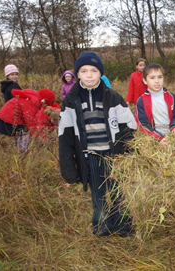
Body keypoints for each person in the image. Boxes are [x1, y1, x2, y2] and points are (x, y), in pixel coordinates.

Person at [58, 51, 137, 236]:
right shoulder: (71, 101)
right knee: (98, 194)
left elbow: (129, 127)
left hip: (114, 155)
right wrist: (68, 169)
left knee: (119, 191)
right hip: (90, 156)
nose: (89, 75)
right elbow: (65, 137)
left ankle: (123, 226)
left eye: (94, 70)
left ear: (100, 73)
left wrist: (132, 155)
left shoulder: (113, 97)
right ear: (77, 74)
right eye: (84, 71)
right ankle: (102, 226)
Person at [135, 63, 175, 142]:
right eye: (152, 78)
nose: (157, 81)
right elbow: (142, 124)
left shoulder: (171, 97)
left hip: (172, 137)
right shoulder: (141, 101)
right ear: (145, 81)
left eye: (160, 77)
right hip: (153, 138)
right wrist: (158, 137)